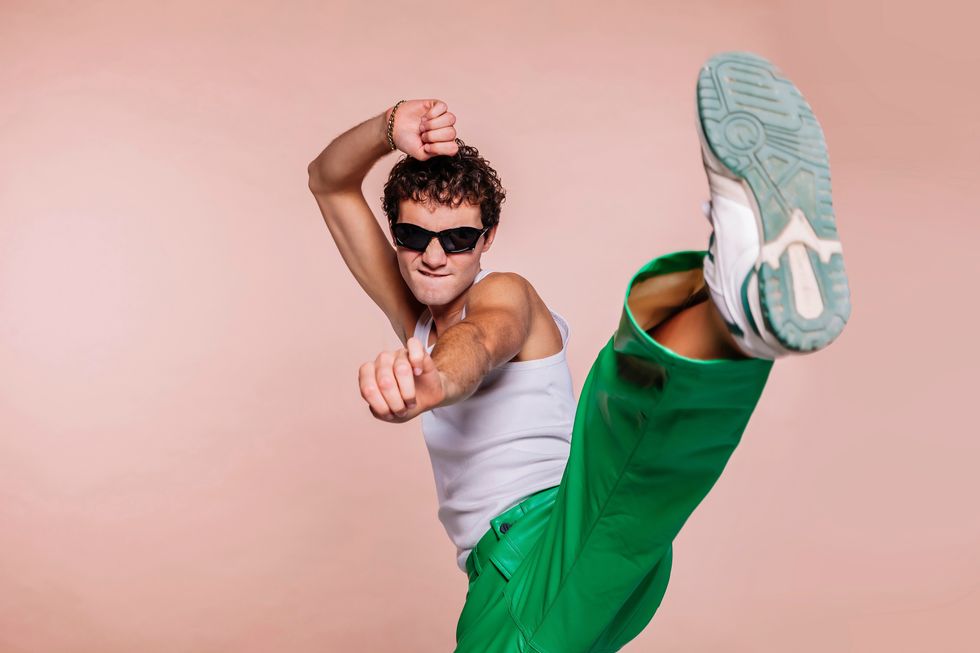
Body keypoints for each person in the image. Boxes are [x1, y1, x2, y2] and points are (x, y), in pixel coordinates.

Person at [307, 51, 850, 653]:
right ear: (396, 235)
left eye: (458, 238)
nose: (434, 256)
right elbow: (327, 180)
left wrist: (434, 381)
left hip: (542, 544)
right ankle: (731, 315)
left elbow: (482, 340)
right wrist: (391, 126)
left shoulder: (503, 292)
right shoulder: (415, 321)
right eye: (414, 236)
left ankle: (732, 302)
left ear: (487, 238)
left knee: (615, 429)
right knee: (631, 460)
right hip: (603, 554)